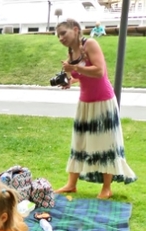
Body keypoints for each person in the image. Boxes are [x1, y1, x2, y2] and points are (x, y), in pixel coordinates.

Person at [54, 18, 136, 200]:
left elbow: (99, 71)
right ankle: (71, 184)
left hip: (103, 101)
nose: (60, 38)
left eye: (63, 33)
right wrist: (70, 80)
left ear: (76, 30)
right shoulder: (71, 52)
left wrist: (74, 67)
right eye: (58, 35)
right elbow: (81, 75)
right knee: (79, 142)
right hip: (85, 103)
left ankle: (107, 188)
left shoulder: (90, 44)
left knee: (106, 143)